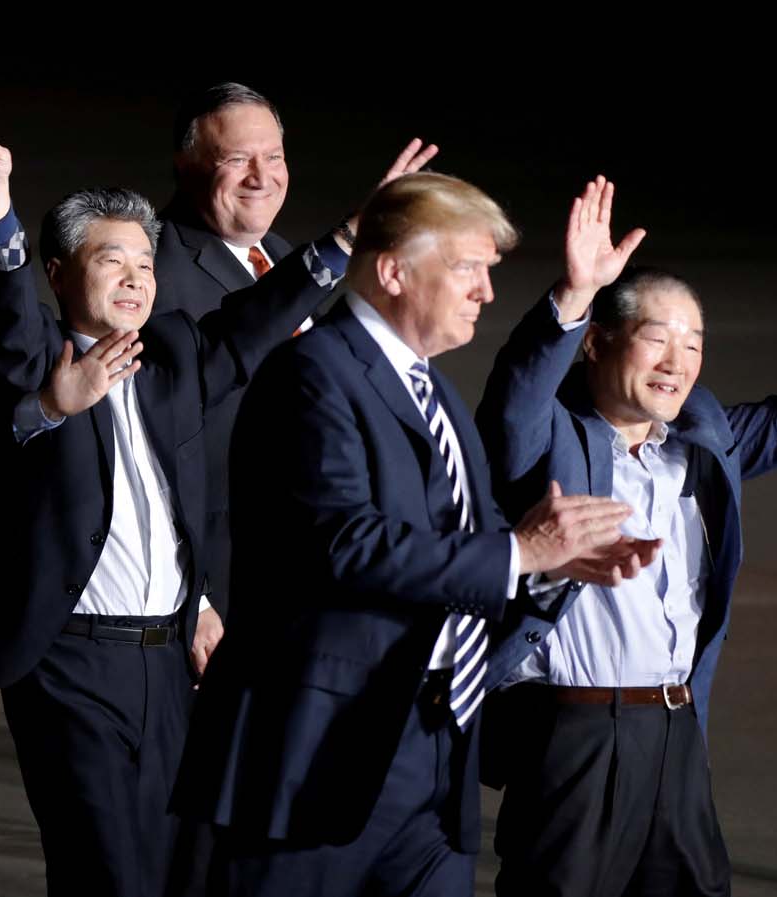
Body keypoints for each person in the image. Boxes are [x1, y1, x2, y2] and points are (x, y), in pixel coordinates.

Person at [0, 93, 434, 897]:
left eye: (143, 264)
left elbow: (255, 320)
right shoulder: (36, 363)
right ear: (60, 274)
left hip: (170, 665)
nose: (134, 280)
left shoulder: (170, 358)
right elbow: (5, 320)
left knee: (178, 872)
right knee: (107, 869)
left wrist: (345, 236)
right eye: (110, 262)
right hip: (73, 663)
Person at [172, 172, 653, 897]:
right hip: (319, 758)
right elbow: (343, 543)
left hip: (433, 752)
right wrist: (522, 551)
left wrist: (555, 567)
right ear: (393, 271)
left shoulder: (433, 392)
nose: (486, 292)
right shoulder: (312, 375)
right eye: (468, 269)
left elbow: (480, 544)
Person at [475, 175, 777, 896]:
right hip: (575, 733)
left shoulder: (700, 439)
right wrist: (571, 294)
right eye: (657, 338)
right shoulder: (549, 439)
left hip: (677, 729)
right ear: (596, 344)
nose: (677, 360)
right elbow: (514, 399)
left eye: (694, 343)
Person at [155, 82, 360, 620]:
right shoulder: (153, 267)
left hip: (303, 566)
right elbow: (149, 448)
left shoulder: (276, 254)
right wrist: (193, 600)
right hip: (223, 588)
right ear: (187, 164)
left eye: (274, 157)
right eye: (237, 159)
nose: (261, 177)